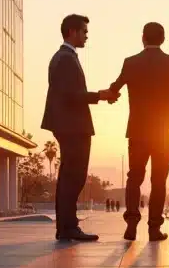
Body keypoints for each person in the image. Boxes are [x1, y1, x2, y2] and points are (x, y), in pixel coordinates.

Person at [108, 22, 169, 242]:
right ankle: (154, 228)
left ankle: (131, 222)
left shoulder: (130, 63)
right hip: (164, 132)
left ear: (143, 38)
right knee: (159, 180)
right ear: (163, 39)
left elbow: (115, 87)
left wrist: (111, 94)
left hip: (138, 131)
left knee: (134, 177)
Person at [40, 14, 116, 242]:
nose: (86, 36)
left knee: (70, 177)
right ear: (72, 31)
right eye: (84, 32)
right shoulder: (64, 58)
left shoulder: (65, 57)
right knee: (74, 177)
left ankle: (66, 227)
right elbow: (71, 96)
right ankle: (68, 227)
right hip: (72, 125)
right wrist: (100, 96)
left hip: (69, 124)